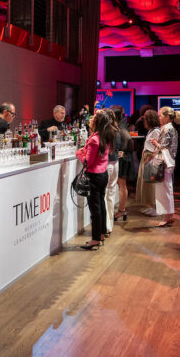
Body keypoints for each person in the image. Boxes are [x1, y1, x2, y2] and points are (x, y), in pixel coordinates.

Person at [76, 109, 117, 250]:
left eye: (94, 118)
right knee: (100, 204)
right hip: (103, 174)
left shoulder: (95, 139)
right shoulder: (105, 135)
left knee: (95, 208)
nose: (91, 119)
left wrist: (79, 154)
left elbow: (88, 162)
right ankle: (101, 234)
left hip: (94, 176)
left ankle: (95, 239)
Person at [152, 106, 180, 227]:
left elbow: (163, 147)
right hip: (169, 161)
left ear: (167, 117)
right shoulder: (171, 128)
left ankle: (166, 217)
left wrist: (155, 143)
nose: (159, 118)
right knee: (167, 188)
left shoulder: (167, 128)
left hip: (164, 162)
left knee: (164, 190)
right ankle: (169, 215)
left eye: (160, 115)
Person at [135, 110, 161, 215]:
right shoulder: (151, 130)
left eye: (145, 119)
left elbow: (158, 147)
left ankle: (155, 207)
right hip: (146, 157)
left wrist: (149, 158)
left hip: (150, 158)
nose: (144, 121)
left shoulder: (156, 131)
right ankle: (150, 205)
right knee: (146, 183)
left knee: (151, 184)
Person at [112, 106, 134, 222]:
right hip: (124, 157)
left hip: (123, 158)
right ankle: (122, 209)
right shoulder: (122, 124)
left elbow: (128, 139)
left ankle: (121, 210)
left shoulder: (120, 126)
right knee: (121, 185)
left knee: (121, 185)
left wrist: (122, 151)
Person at [104, 109, 120, 235]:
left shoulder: (105, 132)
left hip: (107, 164)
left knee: (104, 195)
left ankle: (106, 225)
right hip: (115, 163)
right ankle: (109, 224)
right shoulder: (116, 130)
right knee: (111, 194)